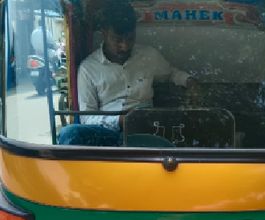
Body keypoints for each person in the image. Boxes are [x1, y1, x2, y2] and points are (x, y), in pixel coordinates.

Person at [58, 2, 195, 146]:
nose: (125, 46)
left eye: (130, 39)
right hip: (107, 135)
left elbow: (171, 73)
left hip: (146, 131)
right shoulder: (88, 68)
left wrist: (189, 81)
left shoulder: (148, 56)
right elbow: (87, 117)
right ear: (104, 32)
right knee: (70, 133)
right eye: (117, 40)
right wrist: (119, 121)